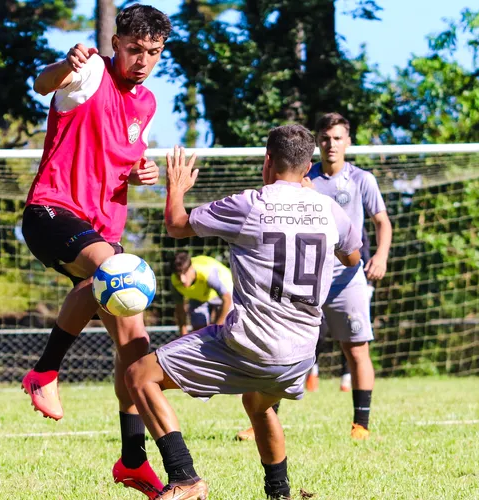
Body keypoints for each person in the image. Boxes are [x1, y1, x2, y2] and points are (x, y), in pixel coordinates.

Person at [125, 127, 363, 499]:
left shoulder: (251, 204)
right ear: (309, 167)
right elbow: (352, 256)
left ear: (267, 161)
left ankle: (184, 477)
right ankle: (279, 492)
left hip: (251, 345)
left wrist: (176, 187)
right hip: (301, 354)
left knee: (139, 376)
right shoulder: (330, 209)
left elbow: (176, 225)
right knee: (257, 402)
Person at [19, 4, 171, 497]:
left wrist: (141, 171)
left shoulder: (145, 104)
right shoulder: (88, 75)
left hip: (102, 230)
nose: (142, 60)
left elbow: (122, 155)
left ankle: (132, 461)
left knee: (135, 347)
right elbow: (43, 84)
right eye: (134, 49)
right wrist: (66, 64)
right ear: (116, 44)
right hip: (51, 212)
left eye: (153, 52)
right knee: (112, 272)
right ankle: (43, 371)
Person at [238, 112, 391, 442]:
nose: (331, 144)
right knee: (284, 349)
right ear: (316, 143)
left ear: (348, 141)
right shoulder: (304, 178)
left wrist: (380, 255)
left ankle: (360, 425)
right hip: (306, 282)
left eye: (337, 138)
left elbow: (382, 221)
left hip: (348, 279)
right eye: (325, 138)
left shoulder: (362, 180)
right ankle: (263, 421)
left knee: (357, 350)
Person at [169, 252, 233, 336]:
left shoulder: (207, 274)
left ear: (191, 268)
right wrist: (183, 335)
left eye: (185, 273)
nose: (182, 280)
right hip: (198, 296)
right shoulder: (174, 281)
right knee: (199, 332)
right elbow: (180, 309)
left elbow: (227, 299)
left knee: (224, 329)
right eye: (178, 275)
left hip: (223, 294)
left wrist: (216, 331)